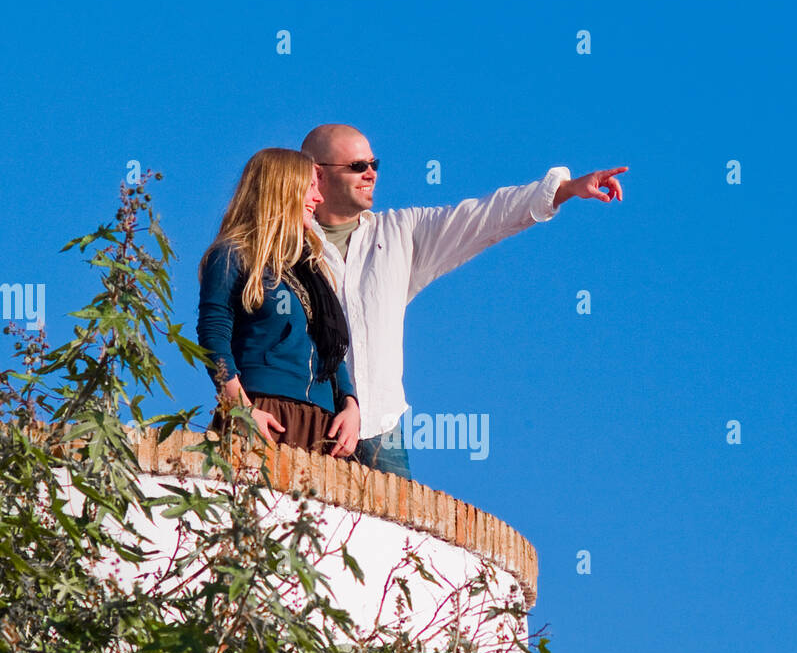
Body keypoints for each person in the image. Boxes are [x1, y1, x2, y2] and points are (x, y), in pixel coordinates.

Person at [301, 123, 627, 477]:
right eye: (357, 167)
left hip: (382, 427)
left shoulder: (399, 233)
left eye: (374, 164)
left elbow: (483, 217)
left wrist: (564, 190)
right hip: (309, 415)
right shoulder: (286, 241)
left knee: (400, 530)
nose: (370, 175)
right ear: (317, 174)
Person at [197, 147, 360, 459]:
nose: (319, 198)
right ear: (284, 189)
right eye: (311, 187)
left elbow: (331, 352)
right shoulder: (233, 254)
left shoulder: (314, 268)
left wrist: (351, 405)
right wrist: (241, 410)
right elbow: (213, 339)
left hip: (323, 425)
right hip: (264, 413)